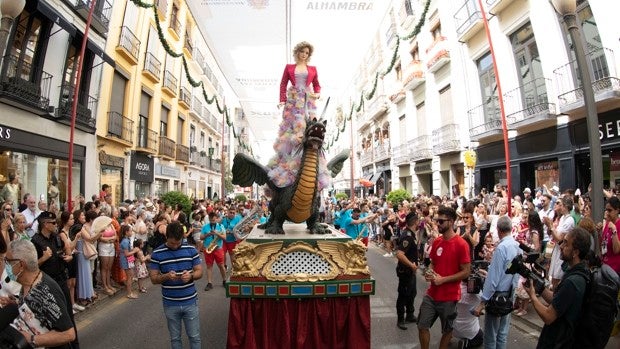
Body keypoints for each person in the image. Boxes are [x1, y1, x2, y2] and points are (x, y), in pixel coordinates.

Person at [267, 41, 329, 191]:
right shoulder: (289, 67)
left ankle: (308, 157)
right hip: (294, 100)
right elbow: (283, 84)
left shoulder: (313, 69)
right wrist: (282, 100)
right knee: (292, 130)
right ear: (297, 52)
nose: (304, 54)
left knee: (308, 126)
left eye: (307, 53)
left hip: (308, 101)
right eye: (302, 52)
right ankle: (289, 162)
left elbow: (317, 84)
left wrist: (317, 93)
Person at [526, 227, 590, 348]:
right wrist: (539, 286)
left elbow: (548, 316)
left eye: (566, 243)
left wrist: (533, 296)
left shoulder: (573, 282)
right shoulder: (577, 272)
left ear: (576, 252)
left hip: (557, 342)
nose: (561, 246)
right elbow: (557, 299)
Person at [6, 239, 76, 348]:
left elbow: (69, 334)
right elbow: (36, 310)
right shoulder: (26, 283)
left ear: (20, 264)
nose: (7, 265)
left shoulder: (47, 290)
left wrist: (32, 339)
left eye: (8, 261)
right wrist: (16, 304)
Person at [418, 206, 471, 349]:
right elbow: (433, 264)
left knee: (447, 330)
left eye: (441, 221)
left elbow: (466, 272)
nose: (438, 224)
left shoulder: (461, 244)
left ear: (451, 221)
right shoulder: (437, 242)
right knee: (422, 325)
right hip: (432, 294)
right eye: (436, 221)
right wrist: (429, 271)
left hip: (449, 296)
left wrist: (443, 280)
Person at [149, 221, 203, 349]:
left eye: (179, 243)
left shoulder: (191, 250)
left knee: (194, 337)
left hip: (190, 301)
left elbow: (199, 272)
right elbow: (153, 279)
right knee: (175, 338)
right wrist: (166, 276)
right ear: (166, 237)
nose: (176, 246)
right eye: (172, 243)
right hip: (170, 303)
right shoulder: (157, 253)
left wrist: (191, 276)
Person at [472, 216, 520, 349]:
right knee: (502, 334)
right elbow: (512, 273)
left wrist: (482, 302)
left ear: (498, 230)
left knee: (491, 335)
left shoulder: (501, 248)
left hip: (498, 295)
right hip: (510, 293)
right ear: (511, 229)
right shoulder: (516, 246)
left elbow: (494, 278)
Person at [394, 212, 419, 330]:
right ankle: (400, 319)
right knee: (403, 295)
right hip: (406, 271)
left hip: (410, 271)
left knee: (412, 293)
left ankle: (410, 314)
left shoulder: (411, 234)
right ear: (415, 222)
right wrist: (411, 265)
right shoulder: (408, 236)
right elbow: (399, 254)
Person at [201, 211, 227, 291]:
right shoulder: (205, 227)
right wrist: (207, 234)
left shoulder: (221, 226)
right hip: (208, 248)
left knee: (221, 265)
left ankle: (224, 281)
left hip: (218, 248)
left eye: (214, 219)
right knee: (209, 266)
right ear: (209, 219)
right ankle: (209, 283)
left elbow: (224, 238)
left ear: (216, 219)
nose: (212, 221)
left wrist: (216, 233)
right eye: (211, 220)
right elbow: (201, 237)